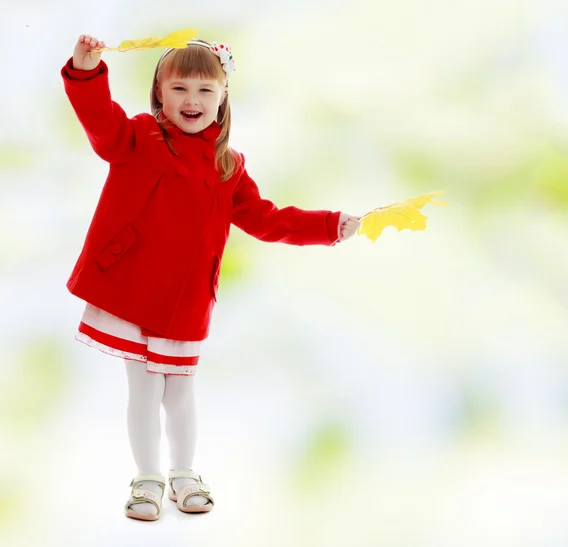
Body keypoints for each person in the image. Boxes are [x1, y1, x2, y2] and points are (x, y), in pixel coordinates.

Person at [61, 33, 360, 521]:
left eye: (205, 89)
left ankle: (183, 473)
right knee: (143, 385)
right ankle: (148, 478)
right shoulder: (136, 136)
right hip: (131, 286)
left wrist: (328, 224)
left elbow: (267, 219)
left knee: (179, 389)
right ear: (159, 93)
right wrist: (86, 70)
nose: (192, 100)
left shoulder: (229, 165)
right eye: (179, 89)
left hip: (188, 298)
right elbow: (99, 120)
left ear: (222, 98)